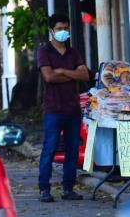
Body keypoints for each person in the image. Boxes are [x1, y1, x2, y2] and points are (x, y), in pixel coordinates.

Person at [37, 13, 89, 202]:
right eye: (59, 29)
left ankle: (68, 188)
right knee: (49, 149)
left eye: (65, 28)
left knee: (72, 151)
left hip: (73, 109)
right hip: (53, 109)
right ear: (51, 31)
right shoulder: (44, 52)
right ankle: (44, 189)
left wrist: (63, 71)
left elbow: (84, 75)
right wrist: (73, 73)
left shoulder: (73, 52)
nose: (63, 32)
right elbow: (49, 77)